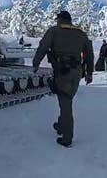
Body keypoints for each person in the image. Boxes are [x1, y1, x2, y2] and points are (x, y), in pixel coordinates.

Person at [33, 11, 94, 147]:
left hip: (63, 71)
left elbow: (42, 48)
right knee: (66, 99)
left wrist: (35, 63)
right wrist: (89, 72)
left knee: (65, 102)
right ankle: (61, 125)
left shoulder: (54, 31)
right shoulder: (81, 34)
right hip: (77, 72)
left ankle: (67, 137)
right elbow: (89, 54)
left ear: (60, 20)